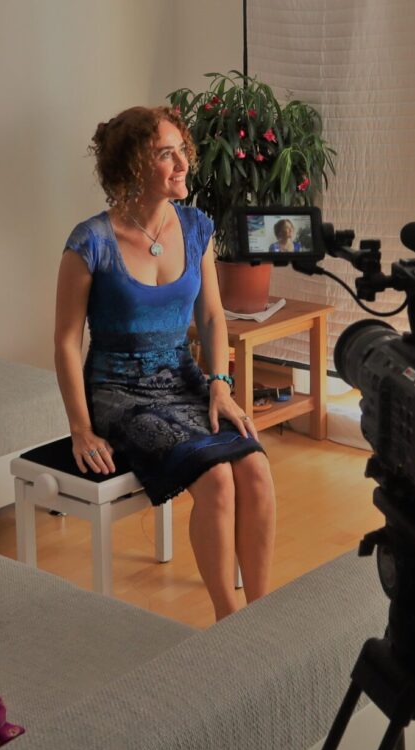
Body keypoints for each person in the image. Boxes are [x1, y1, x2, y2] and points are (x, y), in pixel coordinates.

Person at [54, 106, 277, 622]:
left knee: (256, 468)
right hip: (119, 393)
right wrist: (81, 429)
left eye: (182, 150)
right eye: (165, 154)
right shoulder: (90, 242)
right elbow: (66, 342)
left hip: (184, 379)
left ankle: (263, 616)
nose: (182, 164)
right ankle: (230, 621)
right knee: (216, 478)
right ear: (133, 165)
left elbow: (213, 316)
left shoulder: (196, 227)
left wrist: (220, 385)